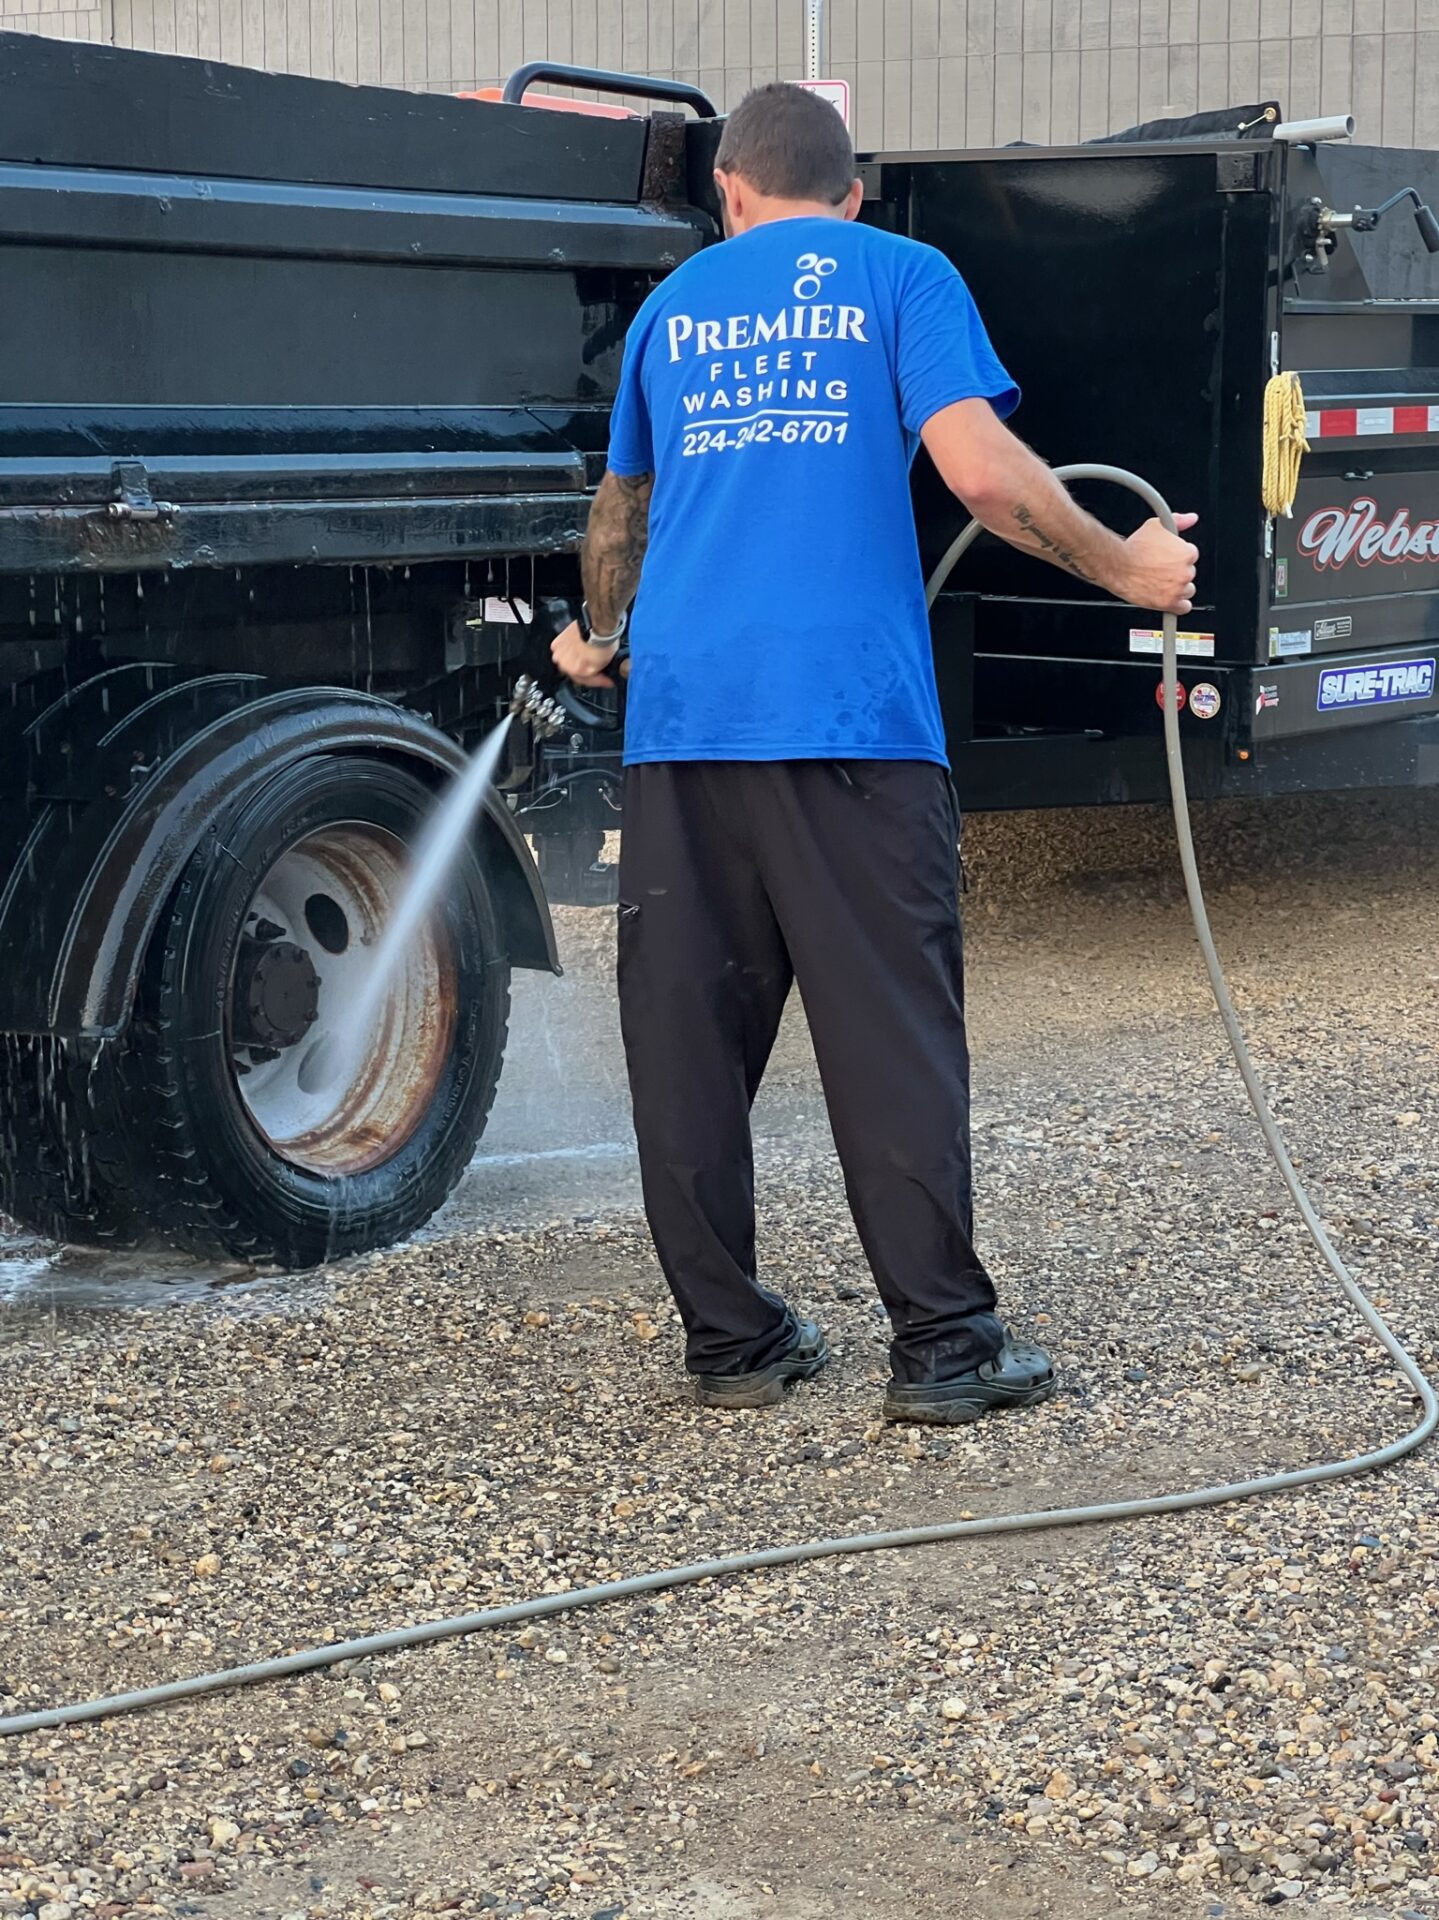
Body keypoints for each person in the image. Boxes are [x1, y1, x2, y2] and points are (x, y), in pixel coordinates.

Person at [550, 83, 1197, 1424]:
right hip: (846, 719)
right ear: (851, 195)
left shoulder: (678, 309)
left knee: (686, 1042)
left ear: (729, 189)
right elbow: (981, 474)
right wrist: (1128, 564)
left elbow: (626, 506)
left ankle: (730, 1343)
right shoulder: (901, 271)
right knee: (888, 1032)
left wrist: (601, 635)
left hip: (684, 727)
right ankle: (945, 1350)